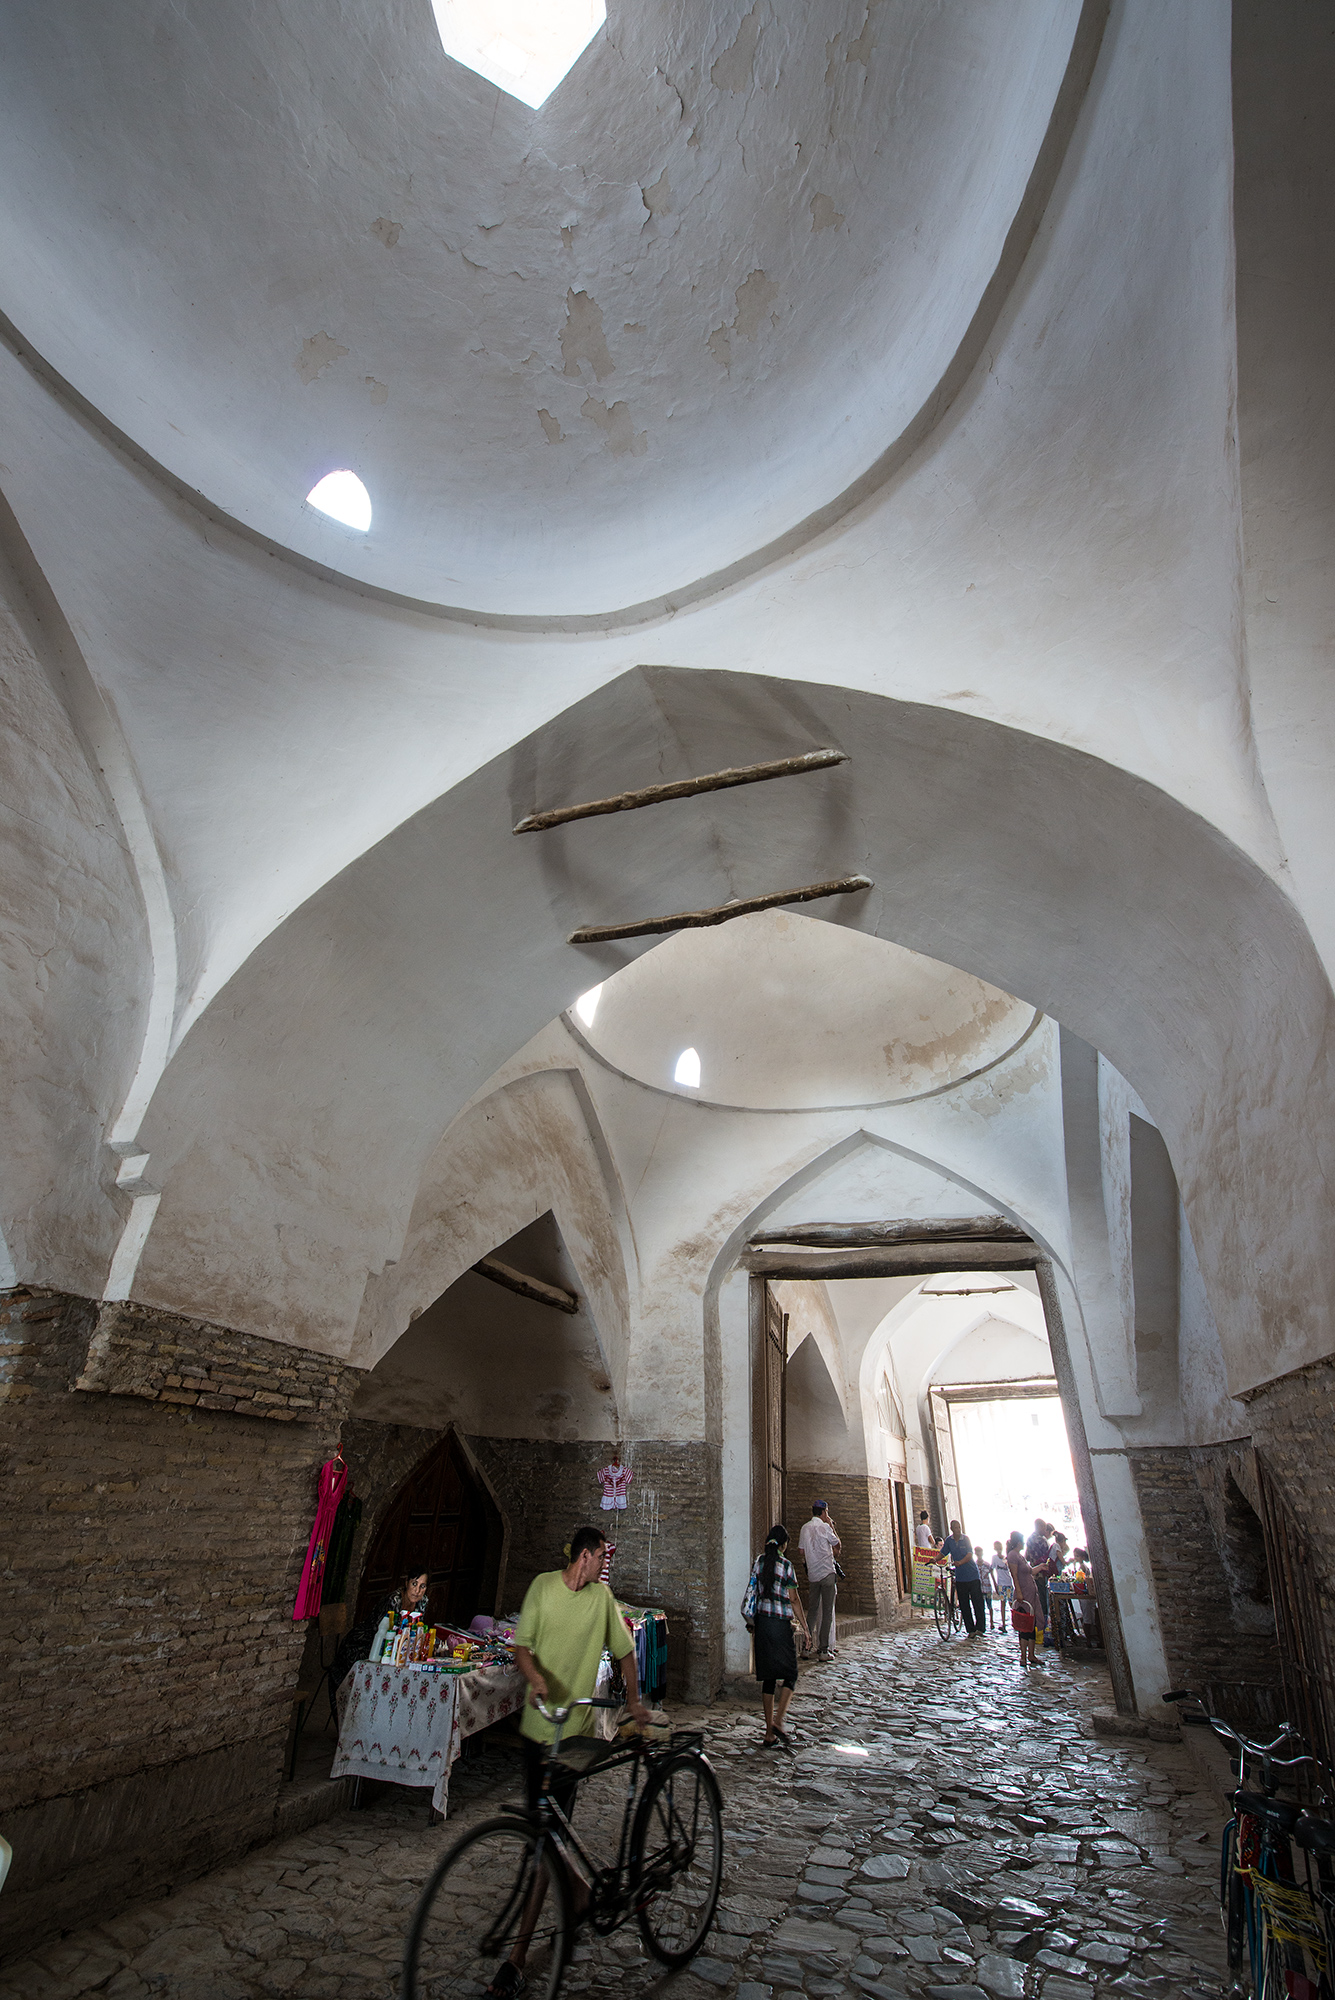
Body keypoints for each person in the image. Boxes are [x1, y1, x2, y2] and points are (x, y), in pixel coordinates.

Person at [490, 1528, 650, 1997]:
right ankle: (579, 1891)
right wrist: (535, 1677)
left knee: (543, 1842)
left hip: (573, 1739)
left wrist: (635, 1703)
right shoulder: (542, 1587)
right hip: (536, 1734)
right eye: (602, 1556)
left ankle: (517, 1959)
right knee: (543, 1836)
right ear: (585, 1554)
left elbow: (624, 1654)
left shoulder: (602, 1600)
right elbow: (523, 1646)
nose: (605, 1564)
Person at [742, 1524, 812, 1747]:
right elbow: (793, 1599)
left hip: (762, 1624)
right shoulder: (787, 1566)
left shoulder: (759, 1563)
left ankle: (768, 1732)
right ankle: (779, 1721)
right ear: (783, 1545)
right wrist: (805, 1628)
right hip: (780, 1625)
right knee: (790, 1674)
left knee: (768, 1679)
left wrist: (753, 1622)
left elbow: (752, 1591)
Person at [330, 1569, 429, 1688]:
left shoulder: (422, 1602)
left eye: (422, 1586)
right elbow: (381, 1631)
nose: (417, 1591)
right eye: (414, 1584)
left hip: (393, 1649)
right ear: (406, 1582)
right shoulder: (393, 1601)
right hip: (363, 1644)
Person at [798, 1501, 841, 1662]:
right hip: (827, 1574)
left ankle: (806, 1647)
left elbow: (801, 1550)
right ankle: (823, 1650)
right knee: (827, 1611)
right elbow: (838, 1546)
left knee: (813, 1611)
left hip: (813, 1575)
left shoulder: (805, 1528)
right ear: (823, 1512)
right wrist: (831, 1525)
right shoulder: (825, 1527)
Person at [938, 1519, 985, 1635]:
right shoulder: (949, 1541)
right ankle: (970, 1629)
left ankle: (980, 1627)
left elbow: (969, 1555)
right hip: (961, 1578)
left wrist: (960, 1562)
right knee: (964, 1605)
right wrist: (935, 1559)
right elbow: (943, 1553)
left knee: (977, 1603)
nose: (958, 1530)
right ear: (952, 1529)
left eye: (959, 1528)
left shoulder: (966, 1539)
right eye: (956, 1528)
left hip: (972, 1575)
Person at [1006, 1530, 1044, 1656]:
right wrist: (1019, 1592)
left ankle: (1031, 1654)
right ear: (1018, 1543)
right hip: (1024, 1594)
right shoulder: (1012, 1555)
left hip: (1030, 1594)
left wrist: (1041, 1567)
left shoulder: (1019, 1556)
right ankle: (1023, 1655)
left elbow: (1030, 1572)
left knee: (1031, 1624)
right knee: (1024, 1625)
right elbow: (1014, 1575)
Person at [974, 1545, 995, 1629]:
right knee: (981, 1607)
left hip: (988, 1587)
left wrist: (995, 1585)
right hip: (979, 1588)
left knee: (989, 1605)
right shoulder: (974, 1565)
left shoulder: (987, 1565)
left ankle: (991, 1622)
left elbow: (992, 1575)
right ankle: (982, 1623)